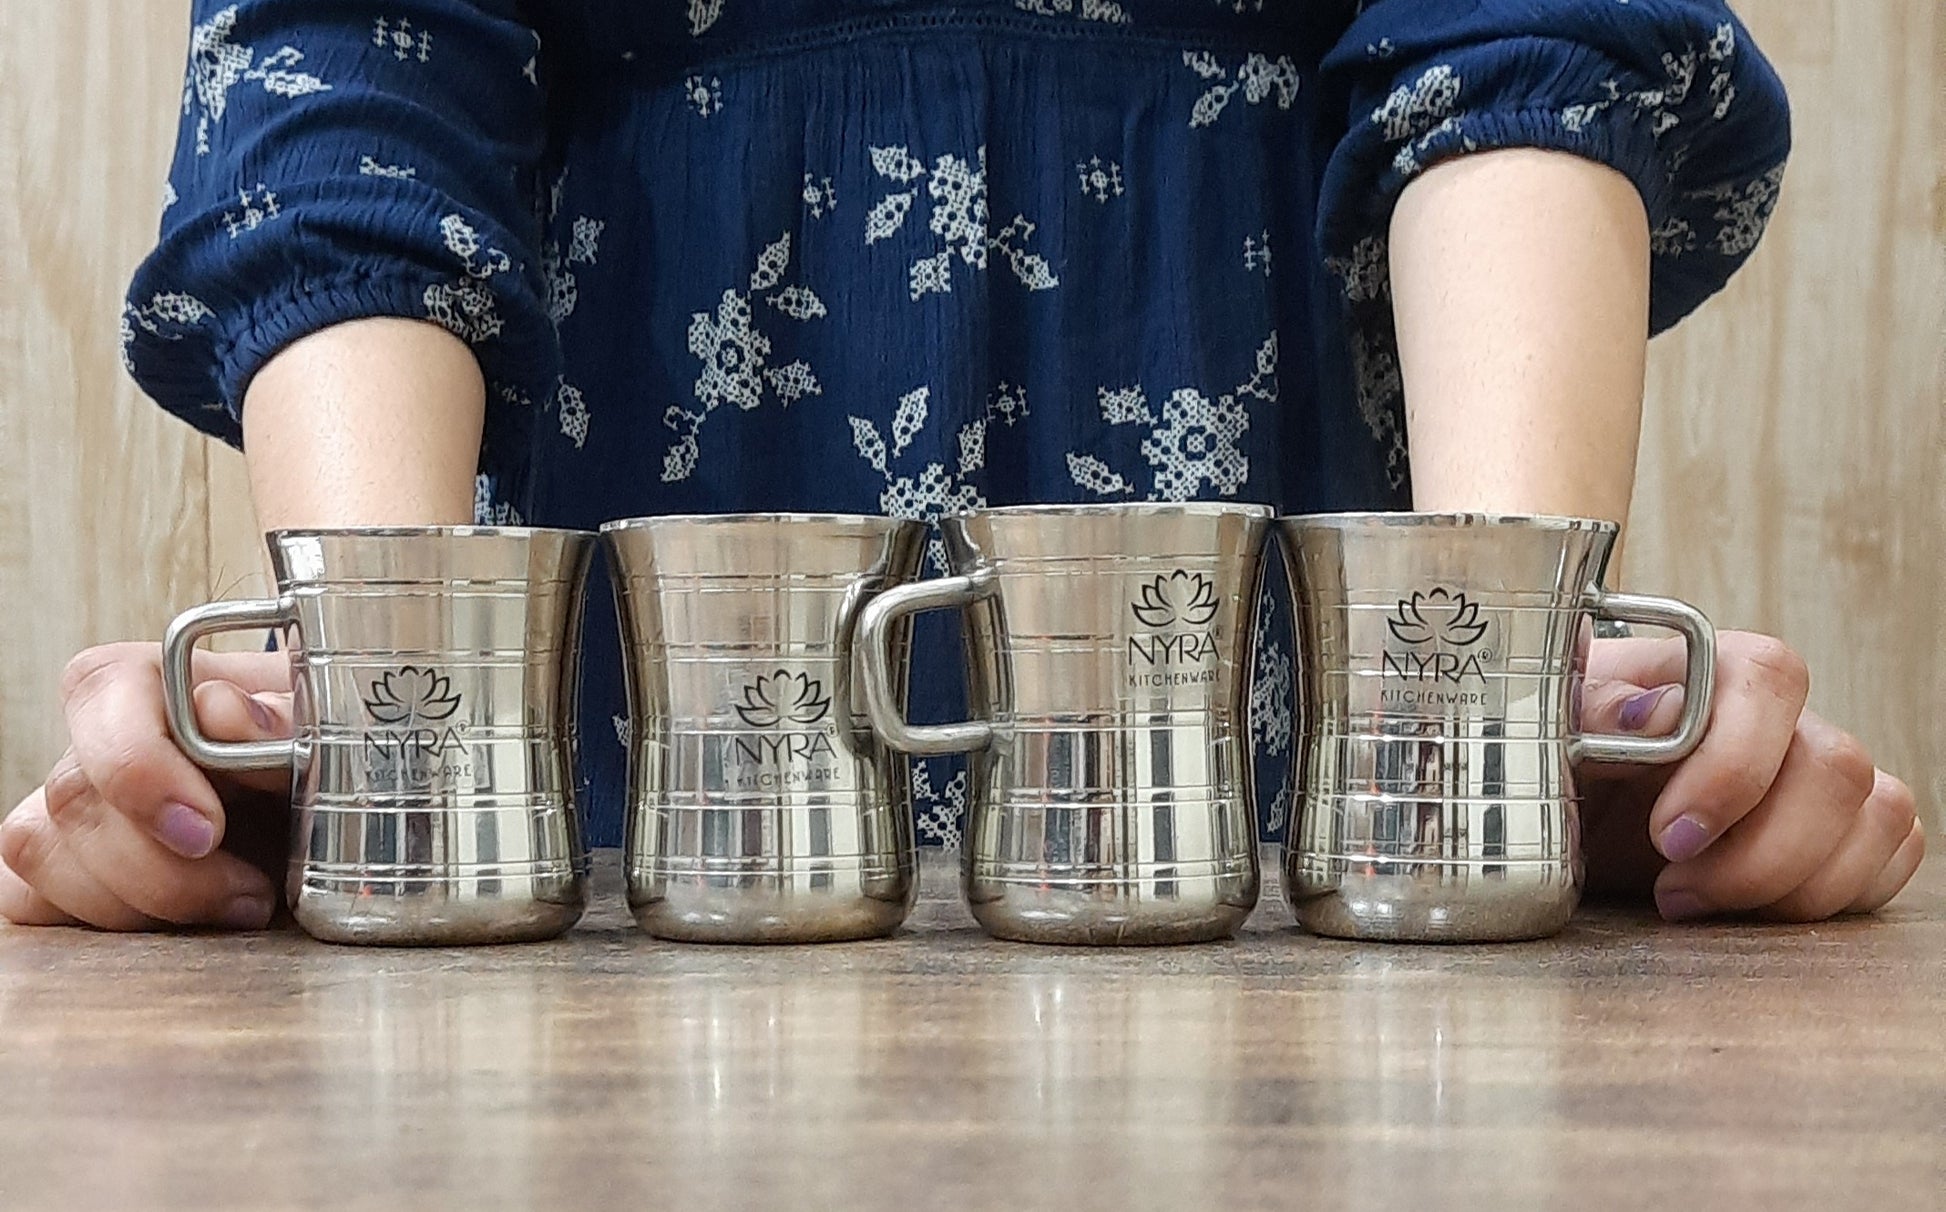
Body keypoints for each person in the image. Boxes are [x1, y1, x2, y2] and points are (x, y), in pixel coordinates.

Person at [0, 0, 1923, 933]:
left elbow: (1523, 25)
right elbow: (359, 85)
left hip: (1264, 609)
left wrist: (1496, 715)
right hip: (637, 676)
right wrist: (382, 728)